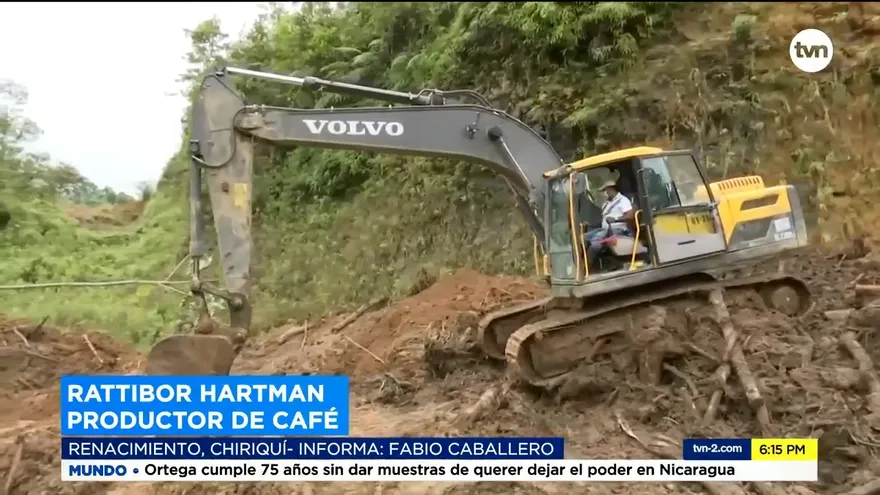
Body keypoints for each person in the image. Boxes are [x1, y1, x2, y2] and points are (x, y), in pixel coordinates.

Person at [583, 180, 634, 272]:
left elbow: (630, 215)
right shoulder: (607, 203)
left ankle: (585, 269)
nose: (605, 193)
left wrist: (615, 219)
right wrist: (589, 224)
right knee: (582, 238)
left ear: (611, 189)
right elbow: (603, 219)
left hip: (616, 230)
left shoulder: (622, 200)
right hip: (604, 230)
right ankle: (581, 263)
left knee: (595, 246)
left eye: (606, 190)